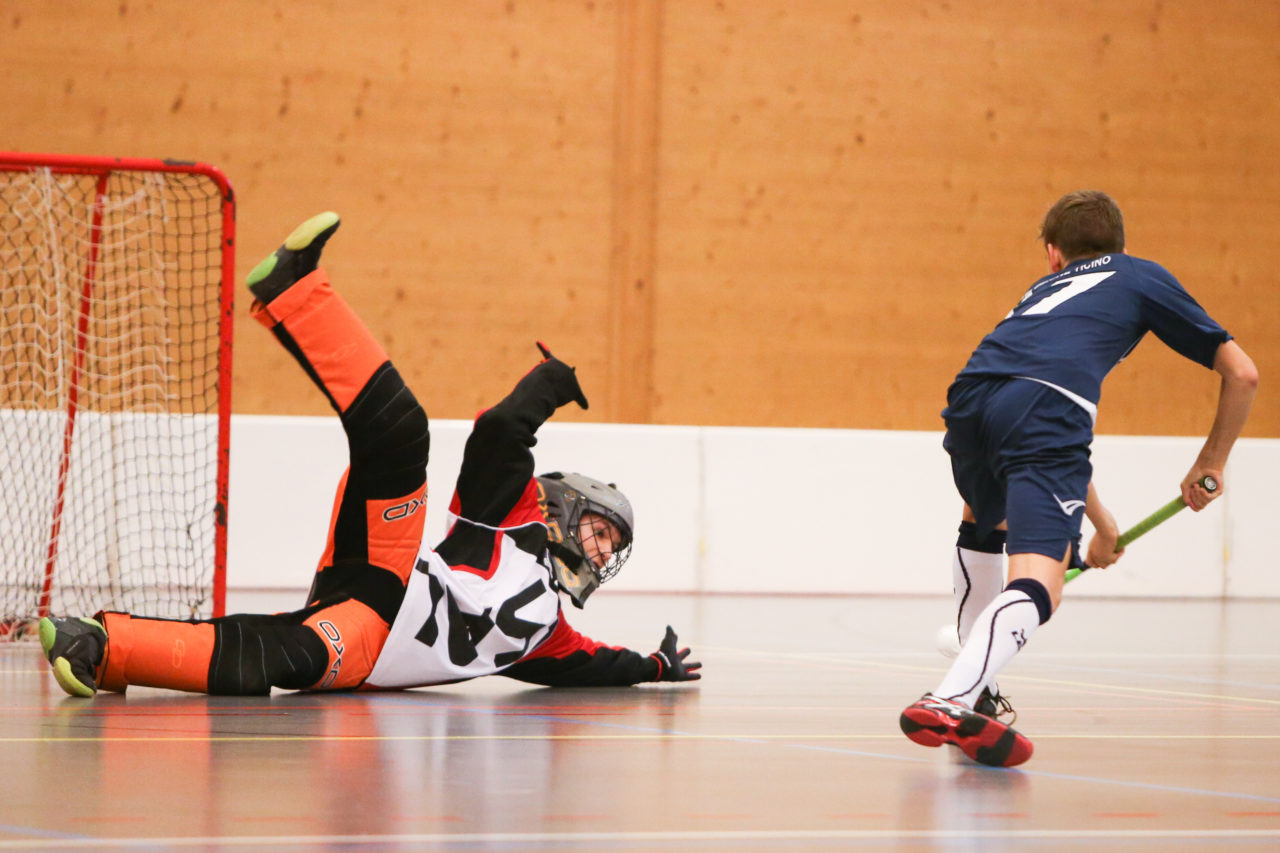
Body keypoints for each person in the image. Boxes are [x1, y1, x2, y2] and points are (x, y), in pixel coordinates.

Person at [38, 212, 701, 698]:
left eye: (612, 545)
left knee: (274, 651)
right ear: (566, 501)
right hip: (387, 573)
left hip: (362, 645)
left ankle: (100, 647)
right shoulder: (511, 519)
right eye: (601, 528)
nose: (603, 550)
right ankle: (295, 290)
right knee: (402, 435)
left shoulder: (551, 633)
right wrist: (551, 382)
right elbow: (500, 434)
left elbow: (600, 664)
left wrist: (657, 665)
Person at [900, 190, 1257, 767]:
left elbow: (1027, 424)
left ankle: (978, 698)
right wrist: (1211, 462)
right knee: (1042, 582)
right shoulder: (1139, 276)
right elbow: (1243, 373)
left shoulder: (1041, 292)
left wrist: (1100, 519)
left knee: (986, 520)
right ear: (1120, 245)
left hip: (971, 396)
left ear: (1053, 255)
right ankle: (949, 698)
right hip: (1046, 407)